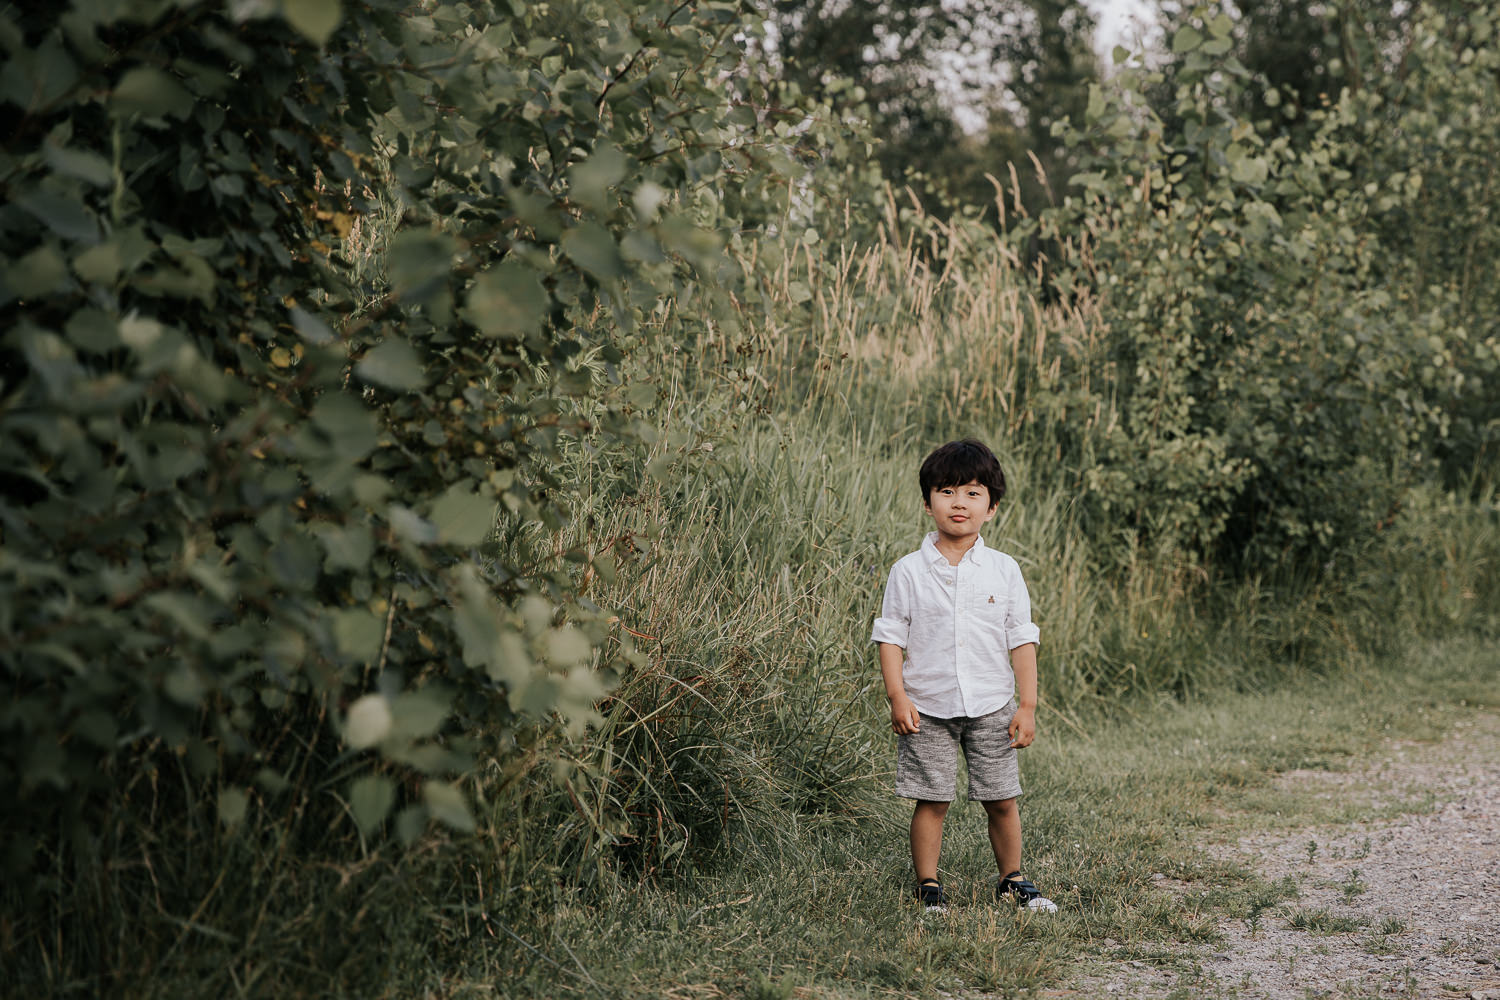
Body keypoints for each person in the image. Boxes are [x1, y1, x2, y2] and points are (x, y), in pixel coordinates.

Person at [871, 438, 1057, 913]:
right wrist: (897, 695)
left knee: (1002, 798)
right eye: (947, 491)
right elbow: (891, 636)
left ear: (991, 508)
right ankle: (928, 887)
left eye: (973, 493)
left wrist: (1027, 704)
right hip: (926, 706)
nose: (959, 502)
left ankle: (1013, 879)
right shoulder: (908, 572)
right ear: (928, 501)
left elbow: (1021, 638)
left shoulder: (1004, 570)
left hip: (991, 704)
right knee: (932, 800)